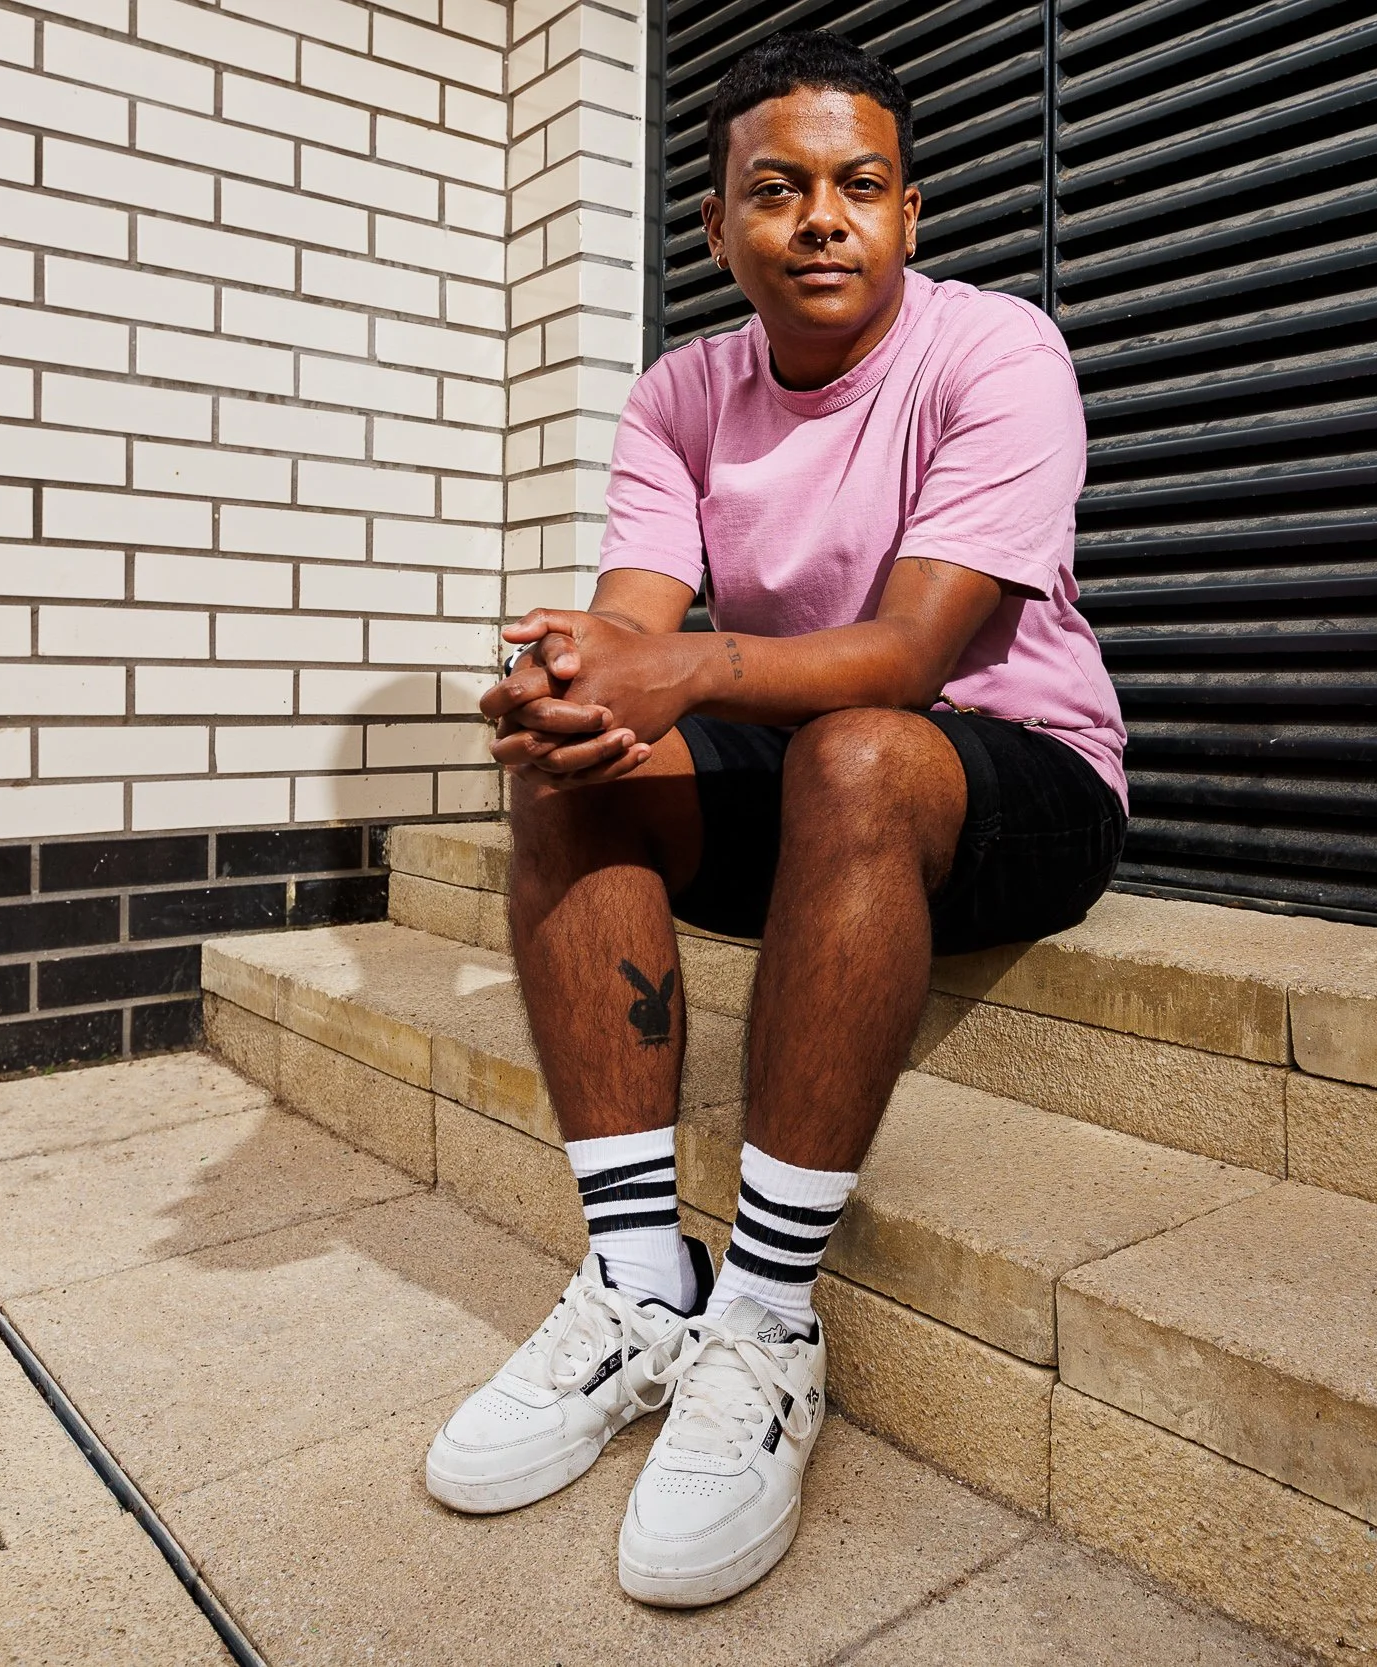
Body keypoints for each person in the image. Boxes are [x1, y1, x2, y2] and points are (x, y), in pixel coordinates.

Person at [425, 29, 1127, 1606]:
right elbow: (632, 634)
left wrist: (676, 667)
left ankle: (768, 1320)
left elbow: (913, 657)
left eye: (859, 187)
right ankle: (639, 1281)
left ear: (910, 214)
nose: (823, 218)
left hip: (1016, 775)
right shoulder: (680, 395)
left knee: (866, 747)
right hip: (813, 766)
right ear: (719, 226)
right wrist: (570, 685)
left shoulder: (996, 352)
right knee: (576, 761)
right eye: (781, 189)